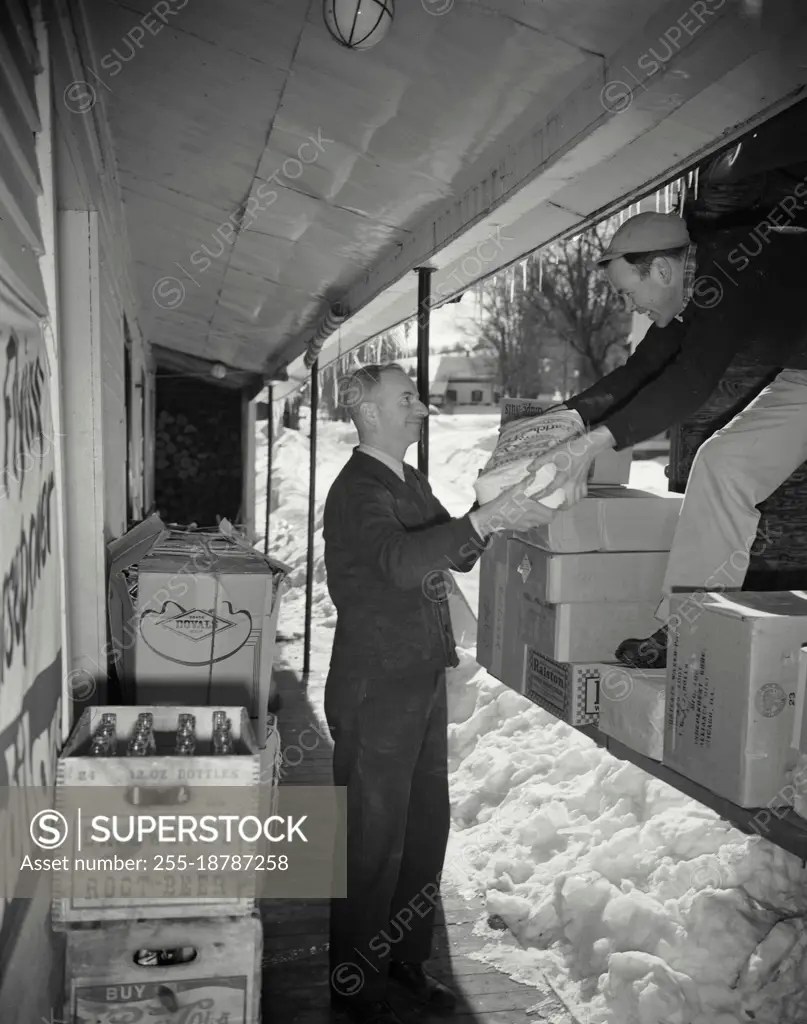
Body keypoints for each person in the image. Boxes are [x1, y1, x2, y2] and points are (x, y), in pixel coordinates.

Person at [322, 363, 556, 1024]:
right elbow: (400, 563)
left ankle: (403, 957)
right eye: (404, 399)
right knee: (370, 838)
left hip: (417, 675)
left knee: (423, 825)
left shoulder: (405, 478)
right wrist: (480, 521)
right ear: (367, 412)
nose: (419, 408)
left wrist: (501, 512)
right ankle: (353, 980)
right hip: (374, 686)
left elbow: (448, 551)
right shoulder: (355, 490)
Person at [527, 210, 807, 668]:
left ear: (661, 270)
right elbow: (645, 367)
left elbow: (689, 383)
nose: (630, 307)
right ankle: (690, 626)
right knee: (724, 463)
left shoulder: (732, 270)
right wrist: (568, 418)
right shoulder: (694, 290)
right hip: (804, 371)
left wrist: (596, 443)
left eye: (629, 293)